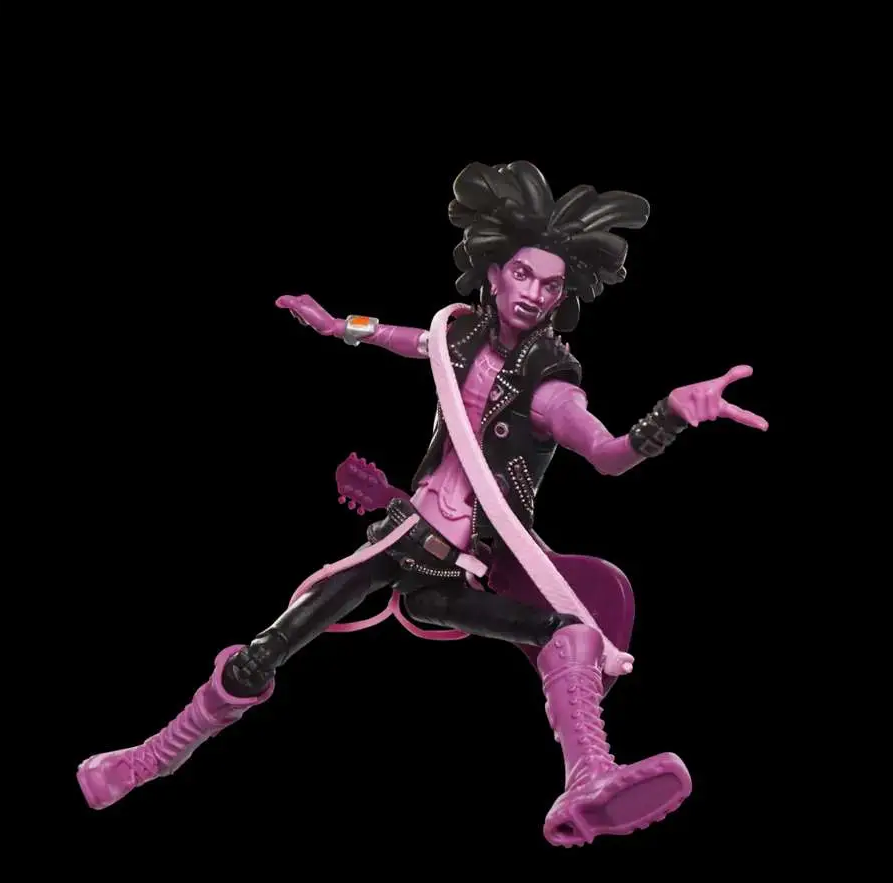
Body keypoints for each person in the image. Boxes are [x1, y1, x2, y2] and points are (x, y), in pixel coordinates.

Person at [76, 160, 767, 847]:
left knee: (566, 633)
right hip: (397, 535)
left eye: (550, 285)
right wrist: (335, 327)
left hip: (455, 572)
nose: (533, 293)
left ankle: (591, 775)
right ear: (494, 271)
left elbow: (609, 454)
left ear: (564, 296)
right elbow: (404, 338)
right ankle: (151, 758)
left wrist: (668, 417)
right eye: (523, 274)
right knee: (259, 655)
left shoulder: (549, 386)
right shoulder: (456, 336)